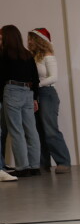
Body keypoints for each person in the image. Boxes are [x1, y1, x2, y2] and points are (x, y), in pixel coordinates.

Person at [28, 28, 71, 173]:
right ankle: (43, 163)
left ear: (39, 40)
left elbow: (53, 77)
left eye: (31, 39)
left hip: (47, 94)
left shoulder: (48, 56)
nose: (29, 42)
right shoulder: (33, 57)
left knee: (50, 129)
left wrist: (37, 85)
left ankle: (63, 162)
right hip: (35, 95)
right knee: (38, 130)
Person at [0, 24, 40, 177]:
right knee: (31, 130)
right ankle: (35, 166)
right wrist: (35, 98)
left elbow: (1, 78)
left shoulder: (4, 54)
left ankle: (22, 167)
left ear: (6, 37)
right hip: (28, 92)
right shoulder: (27, 55)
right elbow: (35, 79)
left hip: (12, 91)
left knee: (16, 131)